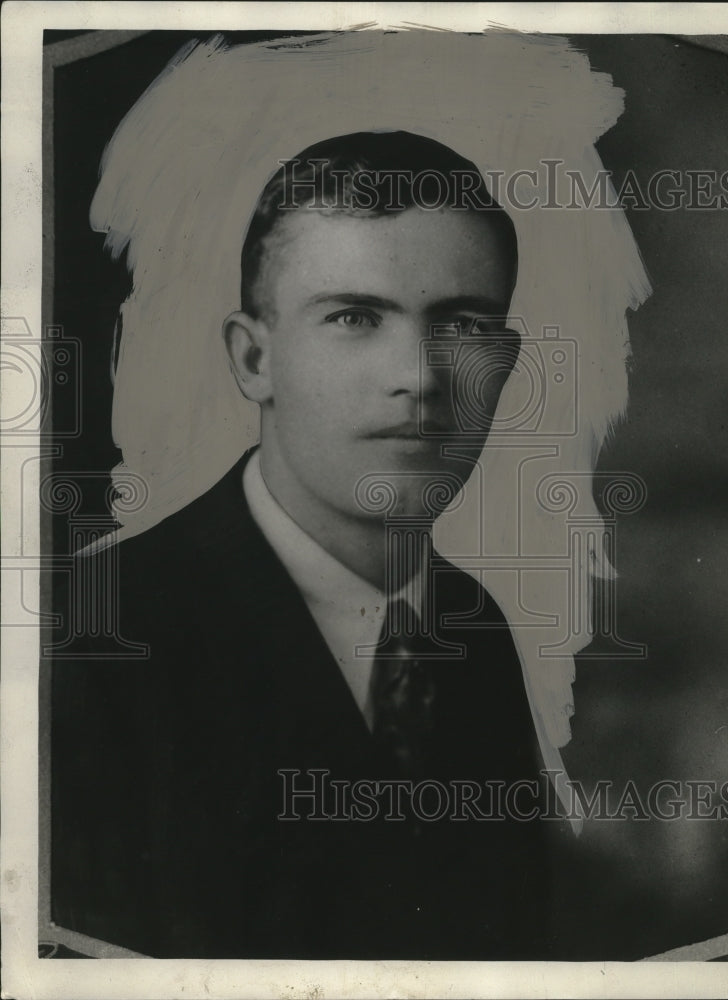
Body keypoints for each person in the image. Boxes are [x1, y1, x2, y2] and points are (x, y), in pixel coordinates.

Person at [50, 131, 561, 960]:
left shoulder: (472, 629)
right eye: (354, 318)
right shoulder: (87, 639)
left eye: (464, 324)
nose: (422, 376)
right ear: (254, 359)